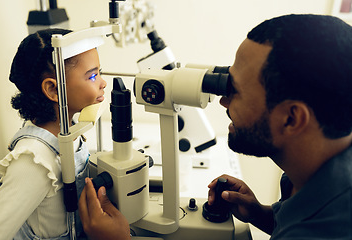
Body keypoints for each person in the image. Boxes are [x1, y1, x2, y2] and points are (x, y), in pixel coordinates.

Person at [78, 14, 352, 240]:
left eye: (237, 91)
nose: (223, 101)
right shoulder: (312, 171)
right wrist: (260, 214)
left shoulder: (326, 231)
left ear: (291, 119)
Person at [0, 29, 107, 240]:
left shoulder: (72, 130)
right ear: (53, 90)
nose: (103, 83)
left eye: (100, 72)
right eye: (92, 76)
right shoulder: (34, 161)